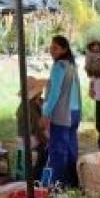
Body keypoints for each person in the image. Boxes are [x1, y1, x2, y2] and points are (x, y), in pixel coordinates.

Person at [41, 35, 82, 187]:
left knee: (58, 151)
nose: (52, 50)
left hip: (62, 113)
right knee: (71, 149)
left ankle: (57, 185)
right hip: (75, 112)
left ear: (64, 49)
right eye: (51, 47)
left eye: (56, 48)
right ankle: (73, 182)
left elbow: (54, 93)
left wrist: (45, 113)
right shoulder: (72, 65)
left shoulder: (59, 66)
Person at [16, 76, 49, 184]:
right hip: (30, 141)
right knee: (45, 154)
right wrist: (47, 142)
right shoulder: (29, 108)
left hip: (27, 141)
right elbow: (37, 130)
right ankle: (39, 181)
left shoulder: (32, 105)